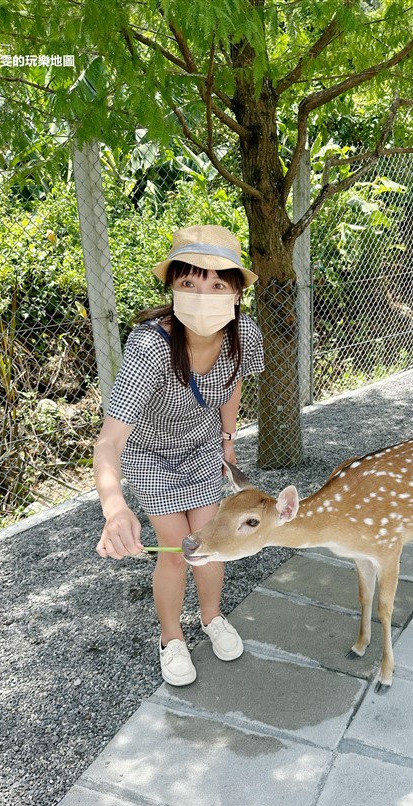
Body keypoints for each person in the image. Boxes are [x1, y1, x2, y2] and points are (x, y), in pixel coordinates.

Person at [93, 224, 264, 686]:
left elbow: (234, 384)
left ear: (235, 293)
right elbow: (109, 442)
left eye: (216, 283)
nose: (202, 293)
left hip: (204, 447)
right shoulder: (150, 345)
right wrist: (115, 509)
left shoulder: (244, 333)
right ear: (172, 287)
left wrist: (228, 439)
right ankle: (171, 639)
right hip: (151, 455)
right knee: (173, 553)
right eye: (189, 282)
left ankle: (211, 619)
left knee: (209, 546)